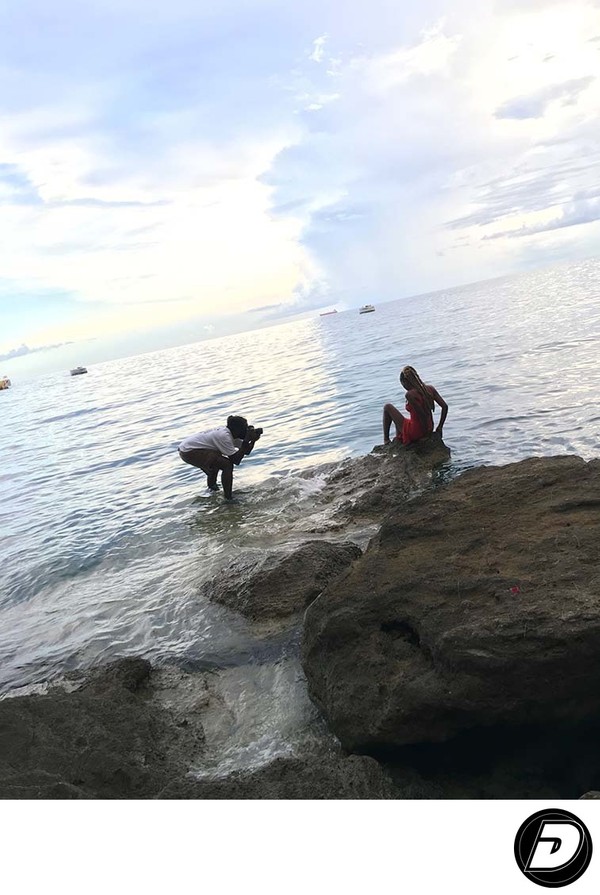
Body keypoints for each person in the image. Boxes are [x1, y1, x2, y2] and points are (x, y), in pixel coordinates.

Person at [178, 415, 262, 500]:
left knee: (216, 463)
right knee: (226, 465)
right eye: (244, 428)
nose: (246, 431)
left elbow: (246, 451)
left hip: (187, 449)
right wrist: (247, 439)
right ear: (237, 429)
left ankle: (212, 490)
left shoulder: (231, 434)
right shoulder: (224, 436)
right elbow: (236, 460)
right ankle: (228, 498)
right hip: (188, 451)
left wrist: (253, 440)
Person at [383, 365, 448, 446]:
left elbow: (422, 416)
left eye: (403, 384)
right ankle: (399, 440)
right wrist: (439, 427)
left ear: (405, 382)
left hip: (417, 431)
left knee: (387, 407)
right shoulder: (430, 389)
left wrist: (425, 436)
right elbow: (445, 407)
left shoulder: (410, 394)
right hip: (429, 427)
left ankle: (386, 440)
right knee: (400, 421)